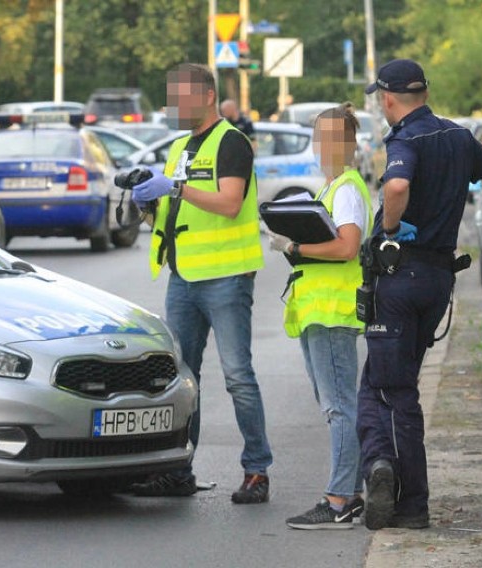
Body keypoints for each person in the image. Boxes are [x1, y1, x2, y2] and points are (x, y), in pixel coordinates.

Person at [357, 59, 482, 530]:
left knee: (389, 388)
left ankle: (406, 498)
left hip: (400, 276)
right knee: (387, 383)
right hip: (439, 278)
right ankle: (384, 468)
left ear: (388, 98)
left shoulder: (405, 138)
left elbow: (397, 184)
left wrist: (391, 230)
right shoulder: (459, 135)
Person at [128, 62, 272, 504]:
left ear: (207, 96)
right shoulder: (178, 147)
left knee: (238, 377)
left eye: (181, 96)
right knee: (183, 379)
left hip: (226, 278)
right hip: (184, 276)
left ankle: (256, 471)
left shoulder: (232, 142)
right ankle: (178, 469)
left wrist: (174, 187)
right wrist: (146, 204)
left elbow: (229, 204)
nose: (174, 104)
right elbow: (173, 210)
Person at [269, 103, 373, 529]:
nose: (325, 146)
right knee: (334, 406)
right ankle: (346, 492)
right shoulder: (331, 189)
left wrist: (294, 248)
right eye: (321, 138)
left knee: (338, 408)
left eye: (334, 138)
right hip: (319, 313)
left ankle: (339, 501)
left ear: (349, 144)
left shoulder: (346, 188)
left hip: (333, 314)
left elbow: (347, 247)